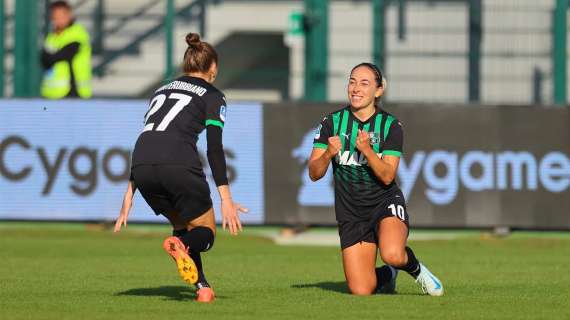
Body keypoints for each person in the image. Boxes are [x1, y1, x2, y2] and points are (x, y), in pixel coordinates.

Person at [114, 33, 248, 303]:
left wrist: (129, 192)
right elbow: (213, 148)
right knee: (205, 231)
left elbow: (151, 133)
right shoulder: (213, 95)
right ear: (213, 69)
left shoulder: (161, 89)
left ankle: (202, 288)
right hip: (176, 160)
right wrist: (226, 199)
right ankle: (183, 246)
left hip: (141, 162)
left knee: (182, 225)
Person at [308, 62, 444, 296]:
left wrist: (368, 151)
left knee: (392, 253)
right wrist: (329, 154)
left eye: (364, 83)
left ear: (378, 91)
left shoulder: (391, 126)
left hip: (384, 202)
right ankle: (389, 274)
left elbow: (387, 175)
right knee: (362, 289)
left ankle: (417, 270)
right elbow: (314, 173)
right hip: (350, 211)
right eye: (352, 82)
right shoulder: (331, 122)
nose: (356, 88)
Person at [40, 1, 92, 99]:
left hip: (73, 92)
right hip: (51, 93)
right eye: (55, 17)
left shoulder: (77, 33)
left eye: (61, 16)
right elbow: (43, 59)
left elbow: (64, 55)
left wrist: (51, 56)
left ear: (69, 15)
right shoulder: (52, 36)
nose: (58, 20)